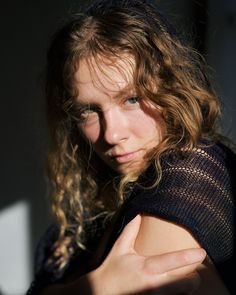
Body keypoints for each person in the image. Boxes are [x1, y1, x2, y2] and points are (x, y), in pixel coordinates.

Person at [26, 0, 235, 294]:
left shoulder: (191, 172)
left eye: (132, 99)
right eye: (87, 110)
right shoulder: (94, 198)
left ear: (171, 87)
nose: (111, 134)